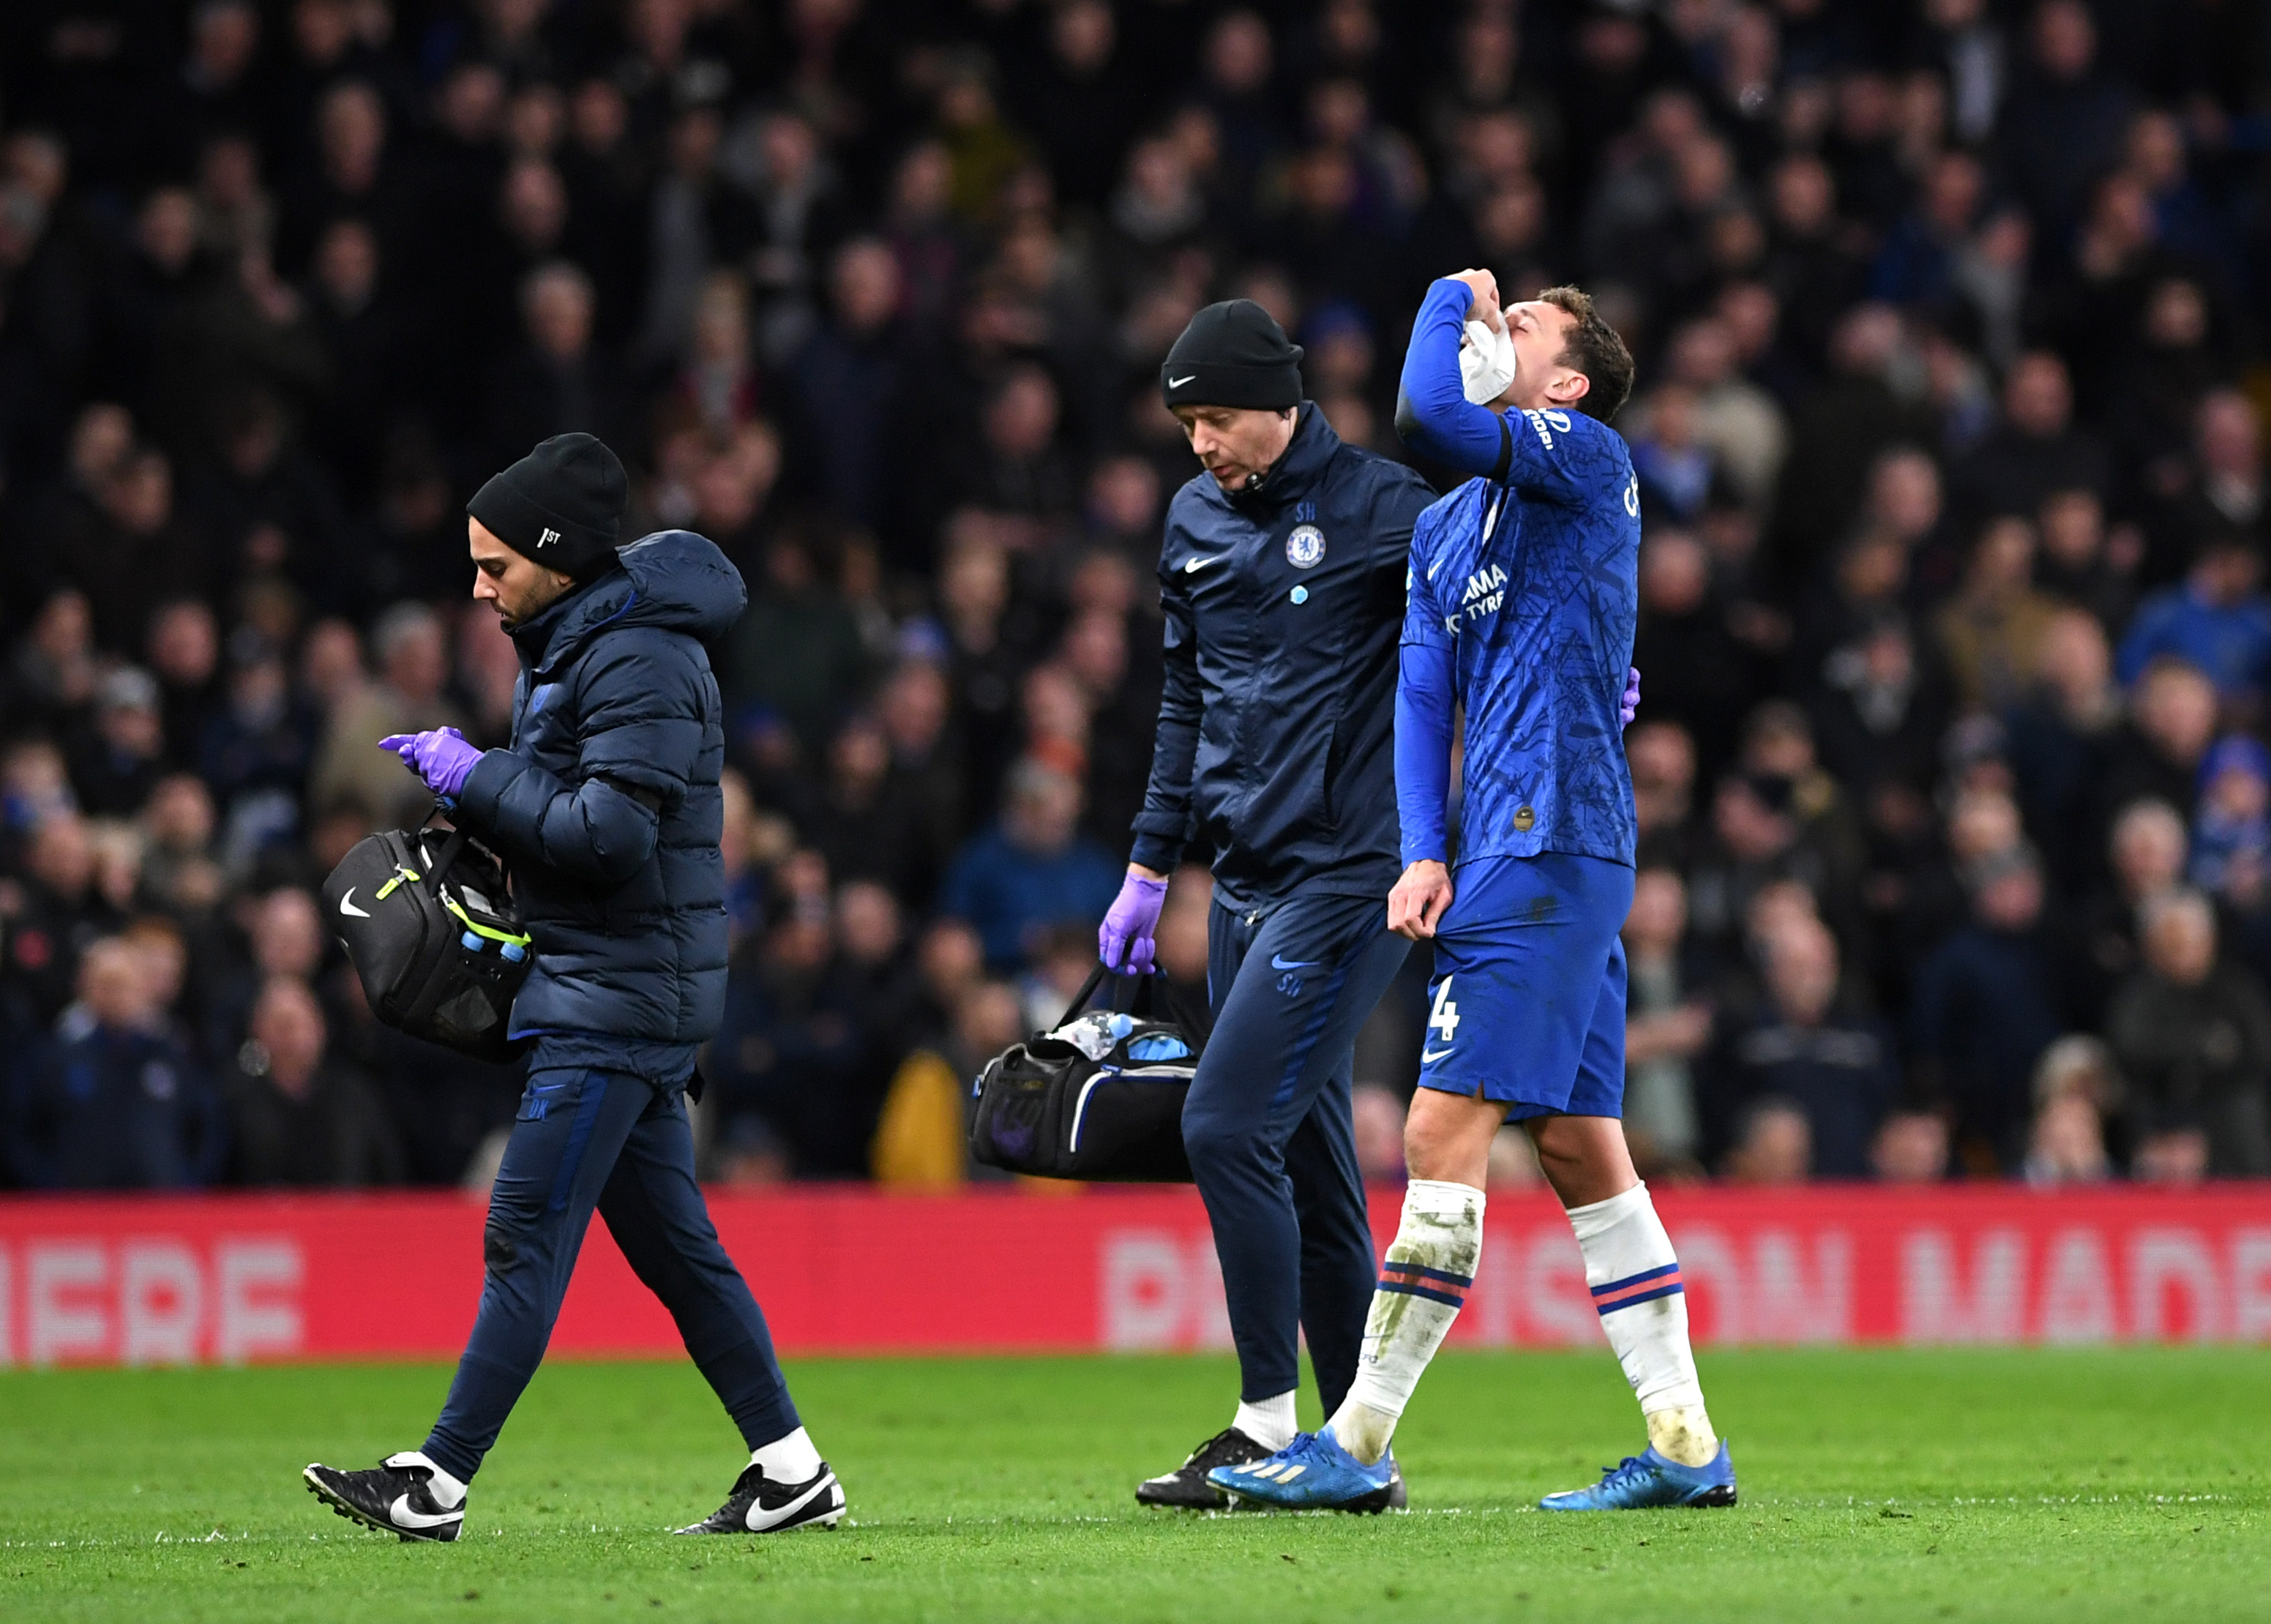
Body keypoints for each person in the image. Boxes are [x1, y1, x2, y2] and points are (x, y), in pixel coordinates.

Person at [1220, 270, 1730, 1514]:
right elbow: (1422, 695)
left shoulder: (1585, 453)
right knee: (1577, 1146)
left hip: (1556, 841)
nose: (1493, 340)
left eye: (1521, 334)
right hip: (1502, 853)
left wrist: (1453, 294)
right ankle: (1684, 1449)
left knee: (1441, 1133)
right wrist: (1423, 850)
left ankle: (1357, 1443)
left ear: (1562, 384)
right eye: (1492, 323)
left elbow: (1431, 416)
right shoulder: (1452, 529)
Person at [303, 434, 842, 1541]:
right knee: (677, 1253)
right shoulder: (579, 640)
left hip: (618, 993)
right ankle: (793, 1473)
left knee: (524, 1232)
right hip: (614, 979)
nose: (479, 585)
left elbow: (608, 838)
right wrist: (487, 816)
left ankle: (434, 1484)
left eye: (496, 565)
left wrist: (478, 775)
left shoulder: (635, 656)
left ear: (558, 556)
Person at [1095, 299, 1437, 1511]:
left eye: (1219, 418)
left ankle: (1261, 1426)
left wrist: (1589, 672)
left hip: (1348, 877)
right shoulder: (1190, 519)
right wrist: (1149, 866)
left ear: (1284, 405)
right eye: (1186, 422)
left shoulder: (1386, 509)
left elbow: (1496, 601)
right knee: (1312, 1167)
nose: (1200, 444)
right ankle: (1355, 1455)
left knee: (1224, 1128)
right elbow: (1183, 702)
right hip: (1238, 883)